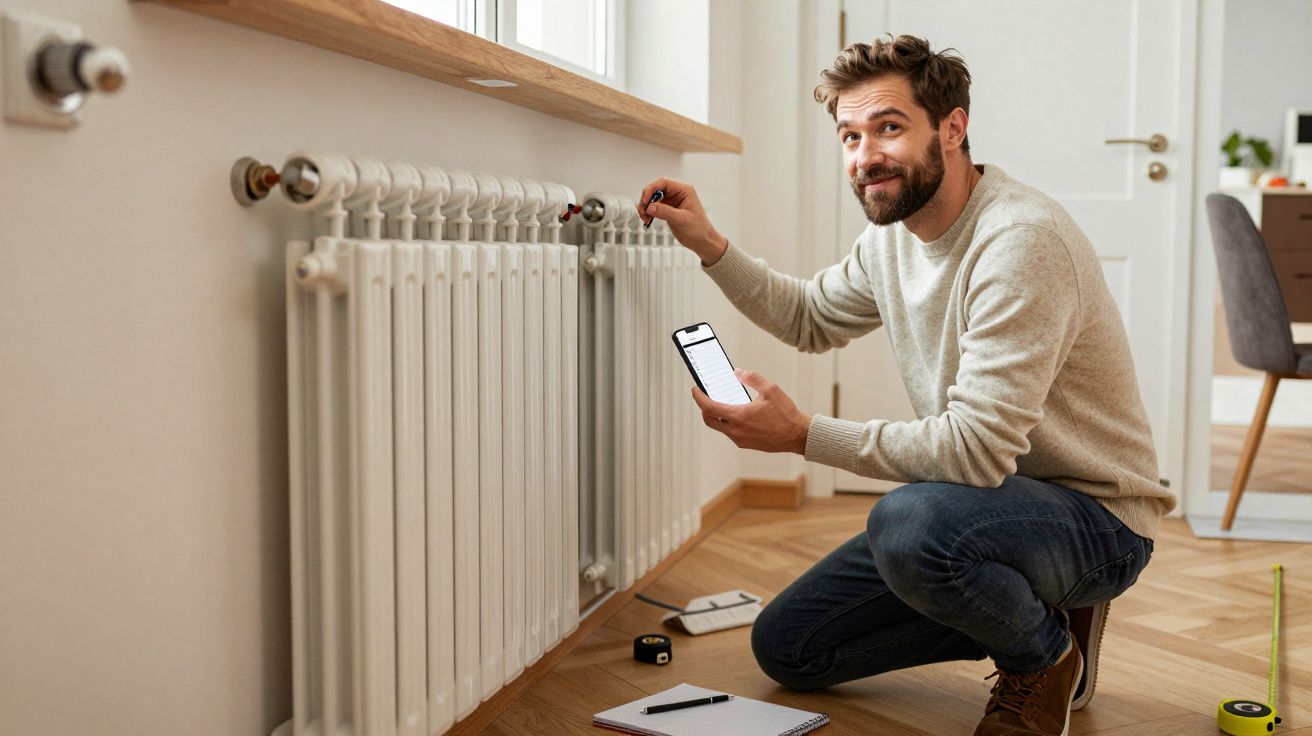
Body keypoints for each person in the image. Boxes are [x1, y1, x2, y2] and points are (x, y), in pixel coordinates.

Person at [637, 34, 1176, 736]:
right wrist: (709, 242)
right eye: (850, 135)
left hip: (1095, 519)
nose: (866, 157)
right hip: (985, 509)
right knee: (790, 647)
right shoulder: (893, 237)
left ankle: (1040, 660)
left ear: (953, 128)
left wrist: (802, 435)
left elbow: (978, 451)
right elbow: (808, 318)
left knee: (909, 523)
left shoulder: (1020, 242)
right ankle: (1045, 623)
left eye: (889, 128)